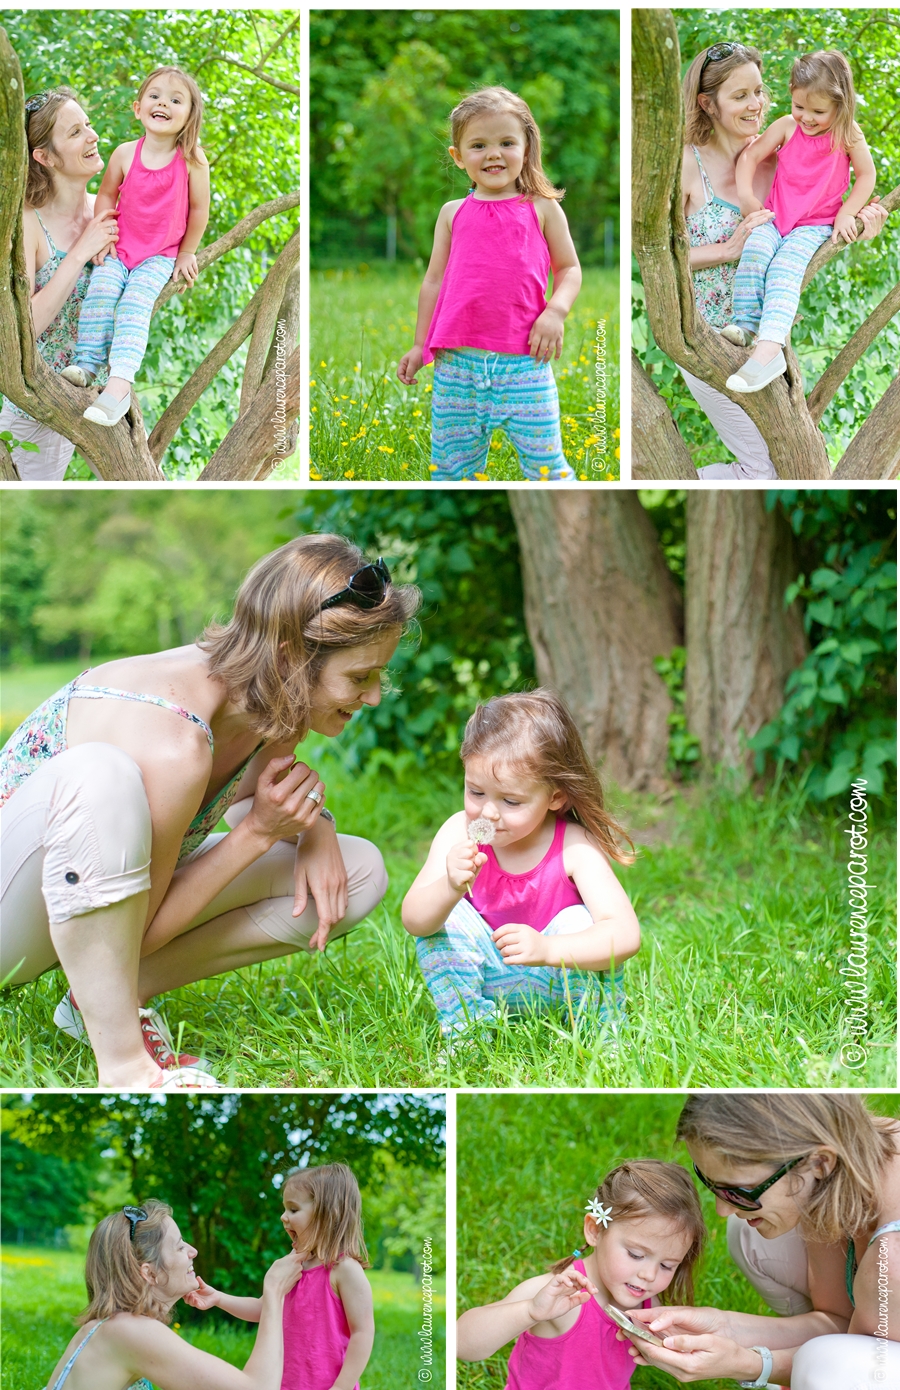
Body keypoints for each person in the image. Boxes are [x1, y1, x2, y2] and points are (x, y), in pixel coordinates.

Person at [0, 535, 420, 1089]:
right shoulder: (172, 736)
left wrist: (313, 826)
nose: (373, 697)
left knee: (358, 870)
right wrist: (256, 835)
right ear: (293, 657)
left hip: (86, 906)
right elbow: (139, 927)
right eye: (359, 676)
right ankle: (125, 1067)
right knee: (99, 774)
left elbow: (256, 796)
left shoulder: (273, 700)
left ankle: (98, 999)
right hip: (14, 911)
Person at [677, 42, 888, 478]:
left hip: (765, 345)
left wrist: (864, 217)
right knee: (764, 473)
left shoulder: (787, 151)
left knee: (795, 466)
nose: (756, 105)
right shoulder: (684, 165)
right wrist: (726, 250)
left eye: (759, 91)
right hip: (706, 339)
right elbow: (657, 263)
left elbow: (823, 217)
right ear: (707, 104)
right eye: (740, 96)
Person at [402, 689, 640, 1035]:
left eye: (511, 801)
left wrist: (548, 948)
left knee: (579, 921)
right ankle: (467, 1029)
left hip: (558, 977)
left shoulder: (573, 845)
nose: (488, 812)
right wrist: (449, 886)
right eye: (476, 791)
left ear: (555, 797)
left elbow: (625, 934)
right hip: (487, 977)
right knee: (445, 920)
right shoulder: (459, 831)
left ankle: (598, 1032)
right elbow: (415, 922)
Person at [621, 1093, 900, 1387]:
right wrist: (723, 1327)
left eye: (739, 1192)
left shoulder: (890, 1263)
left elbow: (849, 1361)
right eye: (709, 1182)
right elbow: (837, 1320)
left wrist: (749, 1364)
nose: (722, 1209)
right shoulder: (833, 1162)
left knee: (826, 1365)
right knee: (749, 1232)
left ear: (819, 1162)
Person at [397, 86, 581, 480]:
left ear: (527, 148)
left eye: (506, 142)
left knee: (548, 471)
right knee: (450, 472)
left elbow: (569, 269)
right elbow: (433, 281)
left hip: (524, 366)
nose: (494, 154)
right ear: (458, 157)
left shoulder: (542, 208)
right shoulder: (452, 214)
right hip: (456, 369)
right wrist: (418, 344)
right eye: (478, 145)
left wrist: (556, 312)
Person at [456, 1159, 706, 1390]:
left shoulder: (649, 1304)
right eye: (636, 1255)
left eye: (667, 1266)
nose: (650, 1275)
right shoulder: (557, 1296)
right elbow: (462, 1342)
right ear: (595, 1230)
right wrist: (530, 1311)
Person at [61, 67, 210, 427]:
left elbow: (199, 209)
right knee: (100, 292)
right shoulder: (126, 154)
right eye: (155, 96)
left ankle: (119, 385)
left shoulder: (192, 161)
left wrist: (188, 252)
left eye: (176, 100)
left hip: (159, 255)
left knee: (132, 306)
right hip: (120, 248)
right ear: (138, 107)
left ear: (189, 115)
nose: (163, 103)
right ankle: (87, 364)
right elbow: (108, 193)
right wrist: (105, 232)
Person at [722, 51, 876, 393]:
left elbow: (867, 175)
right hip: (776, 217)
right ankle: (745, 325)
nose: (806, 117)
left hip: (814, 225)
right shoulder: (786, 126)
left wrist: (848, 212)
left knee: (783, 272)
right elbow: (750, 155)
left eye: (818, 111)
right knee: (756, 251)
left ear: (841, 104)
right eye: (799, 106)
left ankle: (769, 349)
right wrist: (748, 197)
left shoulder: (847, 134)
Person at [43, 1199, 303, 1390]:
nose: (193, 1251)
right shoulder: (131, 1331)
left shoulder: (112, 1326)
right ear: (150, 1273)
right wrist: (274, 1293)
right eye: (179, 1246)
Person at [0, 88, 120, 479]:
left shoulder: (108, 211)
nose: (92, 136)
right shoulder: (26, 224)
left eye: (88, 125)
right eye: (75, 132)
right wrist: (79, 253)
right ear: (44, 156)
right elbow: (20, 330)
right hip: (39, 407)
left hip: (105, 398)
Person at [186, 1162, 375, 1390]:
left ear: (328, 1214)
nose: (283, 1217)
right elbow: (262, 1308)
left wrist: (341, 1387)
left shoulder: (344, 1270)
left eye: (293, 1210)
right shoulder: (293, 1265)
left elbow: (362, 1333)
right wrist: (218, 1298)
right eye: (284, 1209)